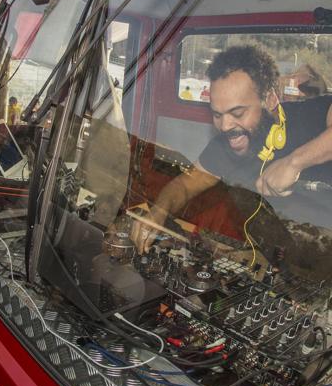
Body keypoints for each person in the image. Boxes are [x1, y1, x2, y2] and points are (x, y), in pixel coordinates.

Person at [131, 46, 332, 274]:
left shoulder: (307, 115)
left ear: (269, 99)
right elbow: (185, 185)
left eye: (237, 114)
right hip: (287, 267)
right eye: (217, 114)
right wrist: (159, 211)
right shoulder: (224, 147)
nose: (225, 126)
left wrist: (295, 161)